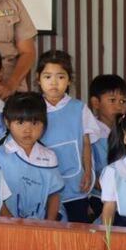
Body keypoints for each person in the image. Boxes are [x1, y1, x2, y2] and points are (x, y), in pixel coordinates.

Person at [37, 50, 102, 223]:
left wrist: (88, 172)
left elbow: (86, 143)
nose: (54, 82)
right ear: (38, 79)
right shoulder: (34, 109)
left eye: (60, 77)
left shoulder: (79, 108)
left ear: (69, 80)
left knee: (78, 227)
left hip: (76, 182)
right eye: (47, 76)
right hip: (46, 185)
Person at [0, 92, 63, 220]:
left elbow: (54, 194)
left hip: (42, 226)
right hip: (7, 225)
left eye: (34, 123)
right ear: (7, 122)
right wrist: (13, 224)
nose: (27, 130)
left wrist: (49, 223)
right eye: (20, 122)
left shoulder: (49, 156)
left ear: (44, 123)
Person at [87, 74, 126, 216]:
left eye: (123, 101)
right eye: (112, 100)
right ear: (96, 103)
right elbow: (88, 171)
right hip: (99, 196)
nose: (119, 106)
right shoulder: (90, 132)